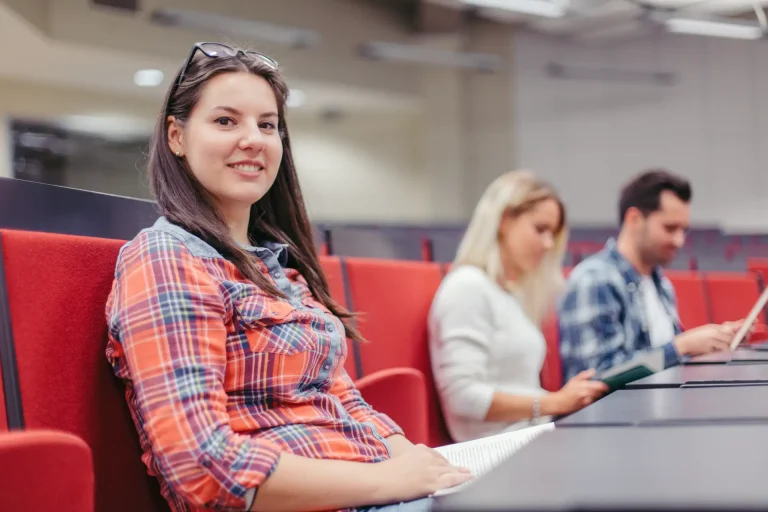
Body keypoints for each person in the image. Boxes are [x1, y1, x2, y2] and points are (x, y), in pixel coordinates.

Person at [105, 42, 470, 512]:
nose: (253, 139)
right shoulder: (167, 259)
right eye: (225, 121)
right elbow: (201, 466)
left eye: (267, 125)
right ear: (176, 136)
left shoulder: (276, 271)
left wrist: (422, 468)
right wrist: (387, 482)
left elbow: (341, 400)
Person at [428, 171, 608, 443]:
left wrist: (566, 400)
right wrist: (555, 402)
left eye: (553, 234)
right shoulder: (467, 287)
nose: (548, 244)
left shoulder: (508, 294)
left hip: (532, 437)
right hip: (498, 451)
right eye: (540, 229)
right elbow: (462, 396)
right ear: (504, 220)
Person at [558, 169, 745, 382]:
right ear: (634, 219)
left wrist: (710, 342)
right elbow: (596, 378)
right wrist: (681, 346)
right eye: (670, 228)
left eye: (683, 230)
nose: (679, 241)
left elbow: (662, 362)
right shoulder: (594, 279)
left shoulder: (661, 285)